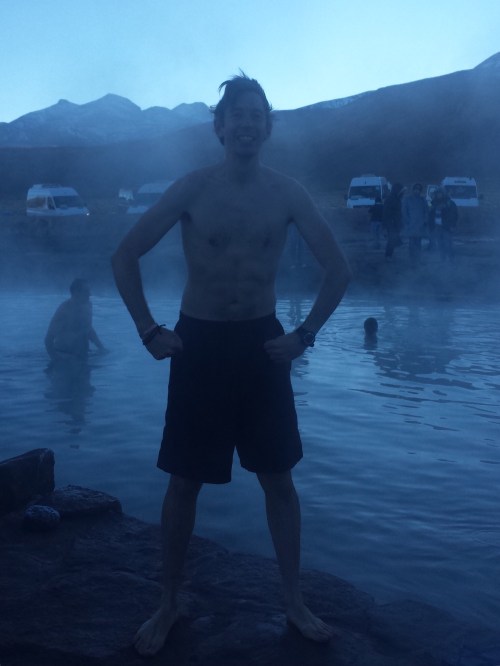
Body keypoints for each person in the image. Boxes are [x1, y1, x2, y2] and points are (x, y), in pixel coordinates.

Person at [112, 73, 351, 656]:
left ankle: (293, 601)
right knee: (184, 481)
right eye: (236, 115)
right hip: (200, 345)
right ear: (219, 127)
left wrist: (304, 336)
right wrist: (148, 329)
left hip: (263, 346)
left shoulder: (287, 193)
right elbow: (124, 255)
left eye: (256, 115)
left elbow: (338, 270)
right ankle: (169, 602)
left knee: (279, 480)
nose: (246, 123)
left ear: (268, 126)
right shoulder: (192, 188)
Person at [45, 278, 106, 363]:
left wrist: (101, 348)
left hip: (83, 355)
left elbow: (88, 329)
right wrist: (56, 359)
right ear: (76, 292)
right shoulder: (64, 310)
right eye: (86, 291)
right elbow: (48, 339)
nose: (90, 294)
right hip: (64, 355)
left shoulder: (88, 306)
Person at [427, 187, 458, 262]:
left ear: (443, 194)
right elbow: (430, 215)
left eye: (440, 193)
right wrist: (430, 226)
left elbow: (455, 215)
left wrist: (453, 225)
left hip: (447, 227)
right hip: (437, 227)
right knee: (440, 244)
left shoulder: (450, 203)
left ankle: (451, 259)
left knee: (448, 243)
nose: (439, 195)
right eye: (437, 194)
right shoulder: (433, 203)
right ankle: (443, 259)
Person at [402, 183, 428, 267]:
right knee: (412, 243)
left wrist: (425, 221)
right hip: (411, 225)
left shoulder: (423, 200)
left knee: (418, 243)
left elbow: (426, 211)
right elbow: (404, 212)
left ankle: (418, 259)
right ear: (413, 190)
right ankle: (412, 260)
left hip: (420, 225)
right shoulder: (407, 199)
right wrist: (408, 221)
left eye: (418, 190)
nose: (417, 191)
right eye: (415, 189)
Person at [382, 182, 404, 259]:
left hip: (396, 223)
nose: (402, 193)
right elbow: (385, 213)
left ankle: (389, 255)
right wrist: (386, 224)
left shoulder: (397, 199)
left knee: (393, 239)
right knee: (391, 239)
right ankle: (388, 255)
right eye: (401, 191)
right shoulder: (390, 199)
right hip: (391, 223)